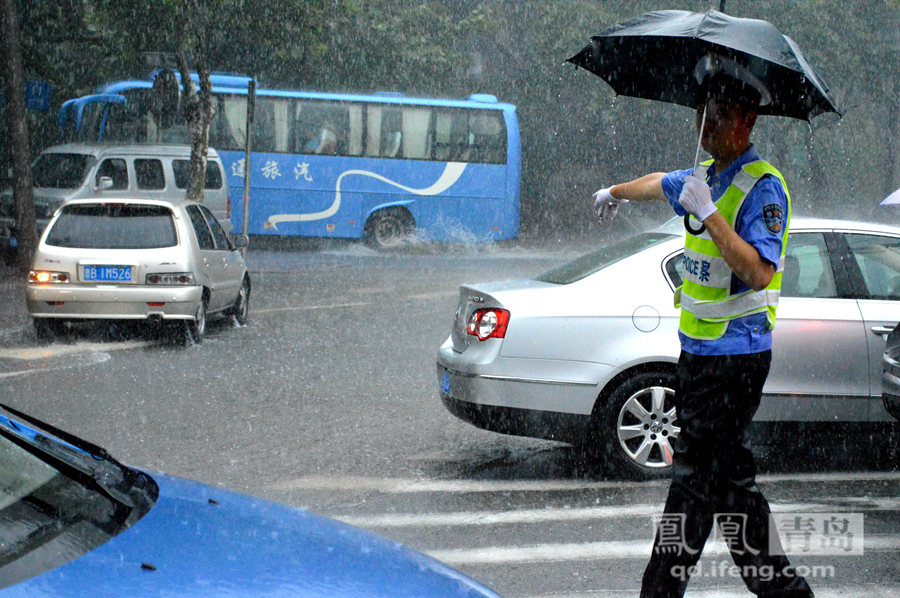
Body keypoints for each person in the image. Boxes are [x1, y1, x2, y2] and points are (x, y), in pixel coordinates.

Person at [592, 71, 814, 598]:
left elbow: (759, 270)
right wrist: (616, 192)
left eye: (717, 117)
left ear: (748, 120)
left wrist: (709, 214)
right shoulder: (703, 177)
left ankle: (660, 594)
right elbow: (657, 182)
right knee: (730, 487)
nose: (705, 126)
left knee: (694, 484)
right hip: (697, 357)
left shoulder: (762, 187)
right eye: (700, 116)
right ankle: (788, 593)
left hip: (735, 360)